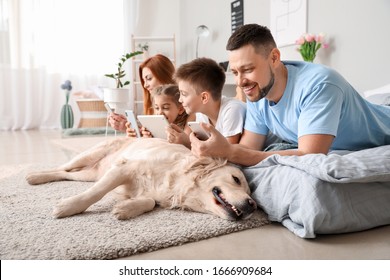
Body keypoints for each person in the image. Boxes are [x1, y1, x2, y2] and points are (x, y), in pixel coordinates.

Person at [189, 24, 390, 167]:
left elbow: (310, 154)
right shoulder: (258, 95)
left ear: (274, 58)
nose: (241, 82)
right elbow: (249, 148)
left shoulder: (319, 85)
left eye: (248, 69)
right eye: (235, 72)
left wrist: (230, 152)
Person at [167, 57, 246, 146]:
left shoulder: (232, 110)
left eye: (184, 94)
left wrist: (187, 143)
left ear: (204, 98)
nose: (179, 99)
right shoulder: (201, 114)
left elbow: (227, 152)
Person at [108, 54, 175, 132]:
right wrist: (128, 126)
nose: (145, 85)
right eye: (144, 80)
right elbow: (153, 132)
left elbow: (165, 136)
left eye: (149, 78)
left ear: (164, 75)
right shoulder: (153, 103)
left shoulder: (183, 105)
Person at [126, 84, 193, 144]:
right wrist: (148, 137)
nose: (160, 113)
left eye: (166, 108)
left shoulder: (188, 122)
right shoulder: (156, 124)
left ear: (180, 109)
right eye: (157, 108)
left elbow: (186, 144)